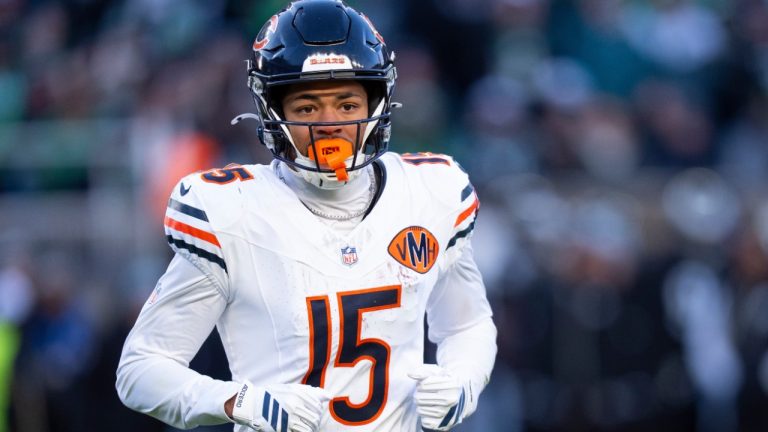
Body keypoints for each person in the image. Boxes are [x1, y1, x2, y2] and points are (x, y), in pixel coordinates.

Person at [115, 1, 497, 431]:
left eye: (347, 105)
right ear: (273, 112)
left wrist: (463, 380)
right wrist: (240, 401)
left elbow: (468, 325)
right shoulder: (233, 212)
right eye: (307, 108)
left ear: (377, 103)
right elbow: (140, 369)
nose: (329, 124)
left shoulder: (430, 193)